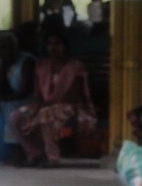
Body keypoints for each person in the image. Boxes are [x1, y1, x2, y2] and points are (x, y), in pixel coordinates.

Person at [9, 26, 96, 167]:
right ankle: (34, 153)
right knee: (16, 117)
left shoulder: (75, 66)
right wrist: (36, 106)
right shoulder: (41, 66)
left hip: (70, 106)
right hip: (44, 104)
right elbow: (38, 94)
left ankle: (52, 157)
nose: (53, 47)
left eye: (57, 44)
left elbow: (75, 95)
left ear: (65, 46)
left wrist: (49, 104)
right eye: (49, 44)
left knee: (45, 115)